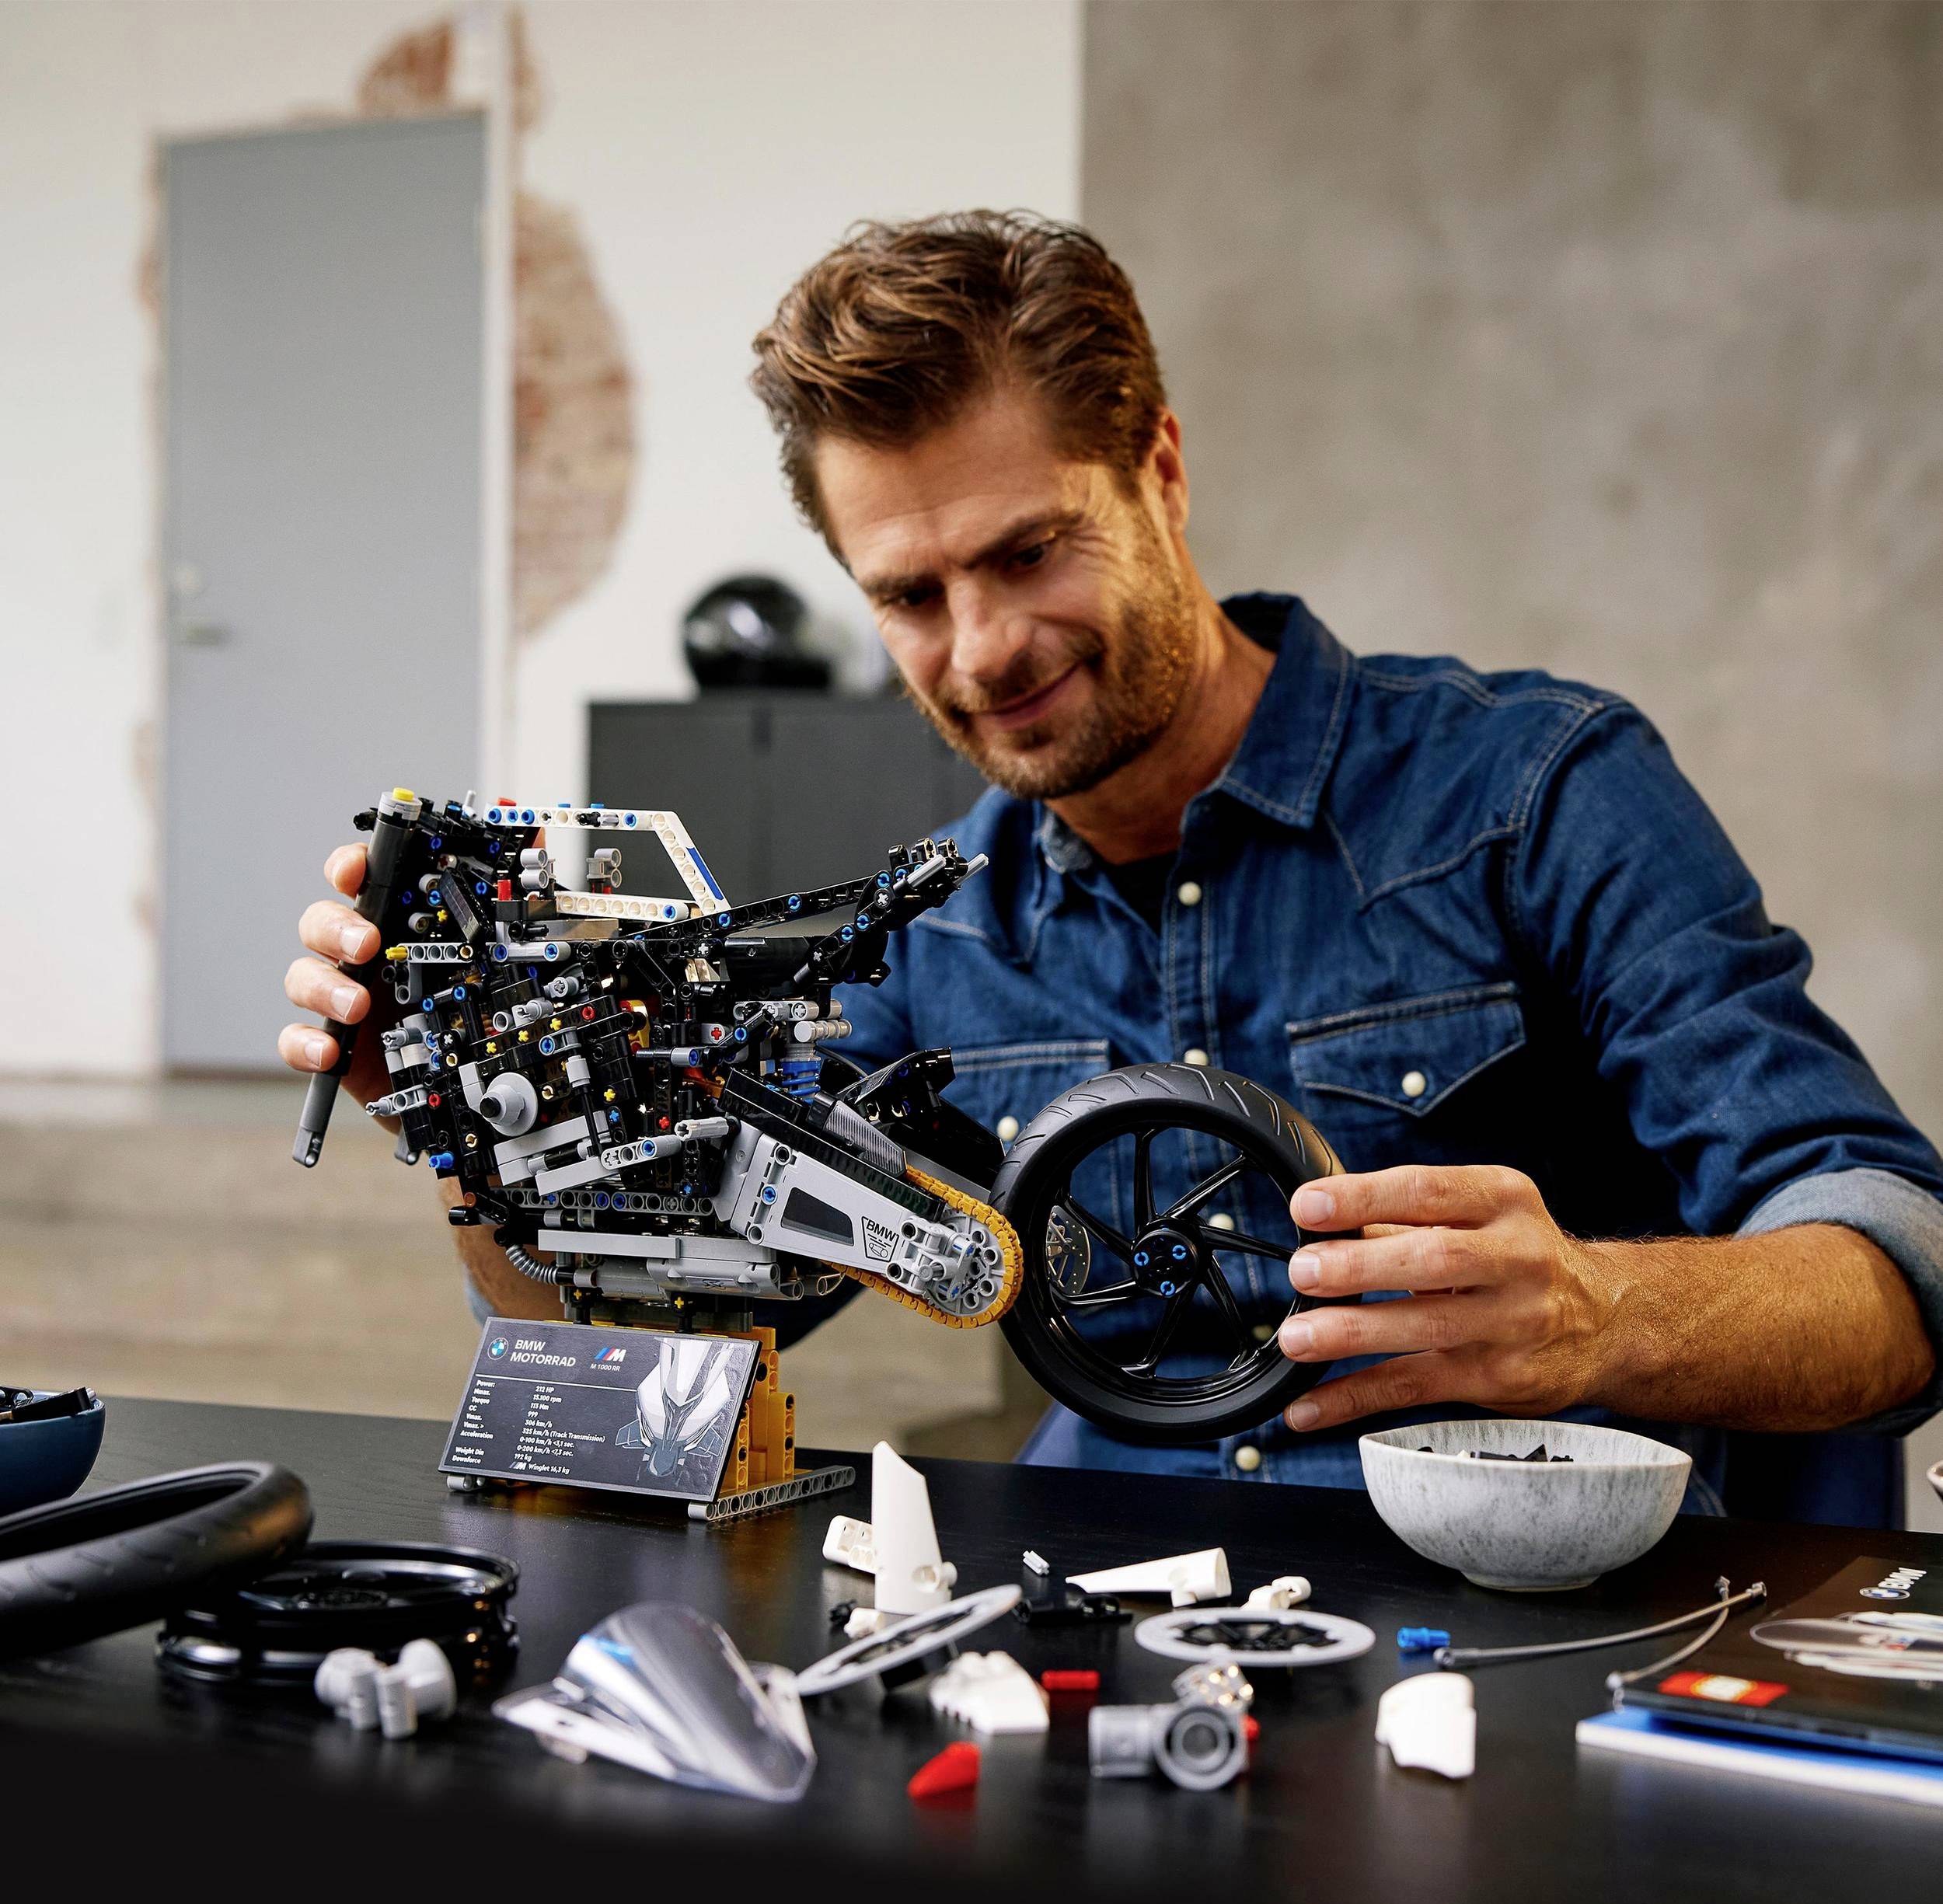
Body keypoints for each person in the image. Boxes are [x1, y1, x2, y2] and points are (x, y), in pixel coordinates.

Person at [281, 211, 1943, 1524]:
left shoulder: (1535, 793)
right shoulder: (934, 926)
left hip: (1513, 1643)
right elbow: (648, 1358)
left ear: (1158, 466)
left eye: (1025, 550)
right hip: (1090, 1635)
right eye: (910, 594)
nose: (984, 648)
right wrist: (464, 1110)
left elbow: (1891, 1259)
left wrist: (1600, 1312)